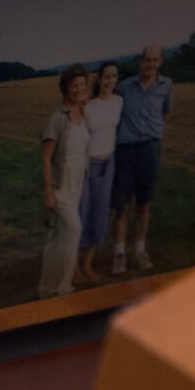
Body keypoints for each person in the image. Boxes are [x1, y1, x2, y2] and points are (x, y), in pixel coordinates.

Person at [109, 42, 172, 274]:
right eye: (148, 60)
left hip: (150, 150)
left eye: (156, 60)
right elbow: (107, 104)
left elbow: (164, 113)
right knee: (121, 206)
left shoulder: (167, 86)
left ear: (161, 62)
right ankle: (119, 254)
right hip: (126, 152)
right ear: (141, 61)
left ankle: (140, 250)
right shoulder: (125, 87)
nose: (151, 65)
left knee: (144, 205)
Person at [38, 65, 92, 300]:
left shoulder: (82, 113)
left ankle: (48, 289)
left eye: (82, 84)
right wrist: (48, 193)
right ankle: (62, 288)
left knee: (57, 238)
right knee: (74, 230)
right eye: (74, 85)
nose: (78, 89)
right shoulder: (56, 119)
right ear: (65, 89)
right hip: (61, 188)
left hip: (77, 185)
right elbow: (46, 159)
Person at [75, 62, 122, 288]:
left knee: (100, 215)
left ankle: (87, 264)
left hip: (108, 165)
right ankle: (73, 266)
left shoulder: (120, 102)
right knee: (81, 215)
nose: (110, 80)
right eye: (106, 76)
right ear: (99, 79)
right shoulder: (88, 106)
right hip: (89, 166)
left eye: (114, 76)